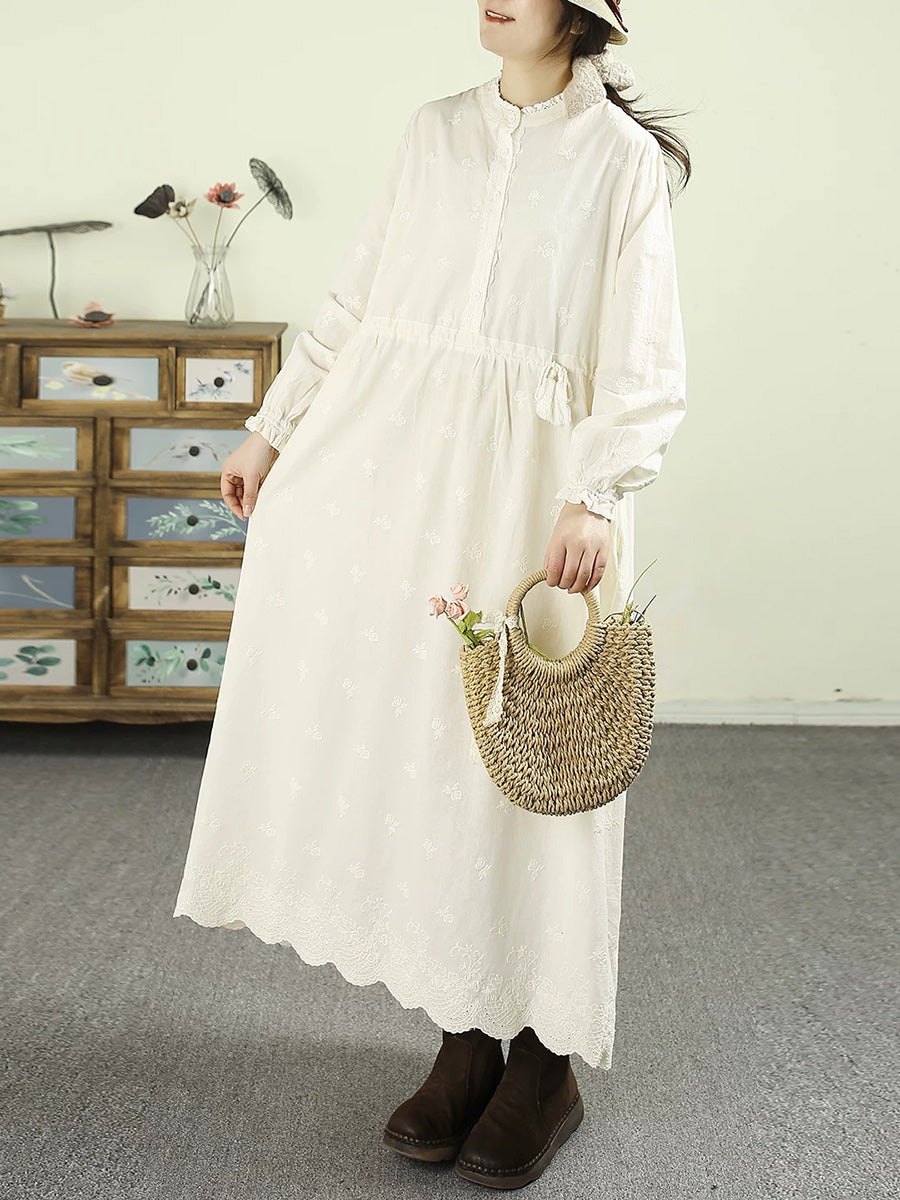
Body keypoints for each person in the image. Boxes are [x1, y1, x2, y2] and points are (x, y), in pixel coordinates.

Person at [173, 0, 690, 1188]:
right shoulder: (435, 130)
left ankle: (546, 1061)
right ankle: (464, 1031)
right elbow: (360, 298)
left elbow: (647, 352)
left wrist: (596, 494)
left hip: (536, 485)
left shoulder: (621, 161)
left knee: (529, 751)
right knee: (429, 747)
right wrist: (274, 428)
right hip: (405, 465)